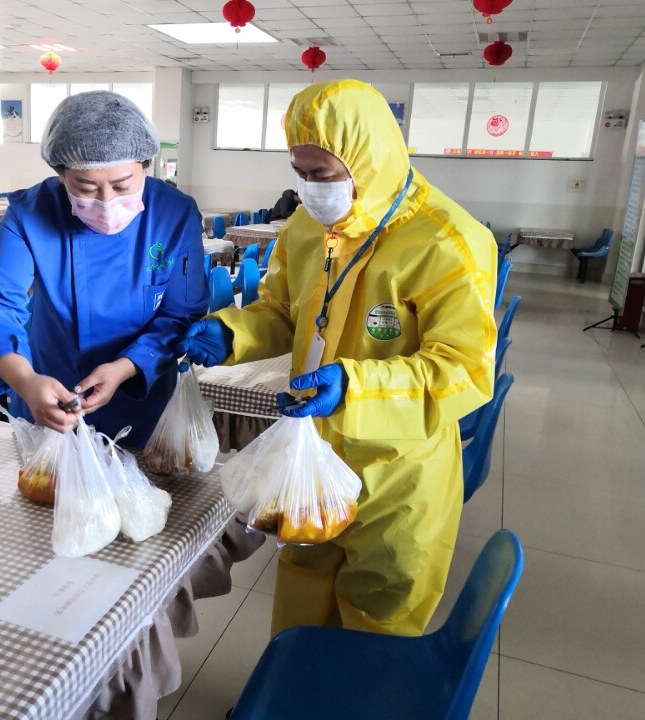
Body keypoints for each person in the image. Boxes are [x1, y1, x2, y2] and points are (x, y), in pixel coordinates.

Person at [178, 79, 497, 637]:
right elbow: (281, 309)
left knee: (380, 608)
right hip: (309, 450)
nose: (309, 189)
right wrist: (232, 333)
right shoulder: (308, 227)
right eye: (299, 173)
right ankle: (292, 691)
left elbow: (463, 367)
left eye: (321, 174)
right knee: (302, 582)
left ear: (367, 160)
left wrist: (355, 387)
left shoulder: (448, 242)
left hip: (397, 468)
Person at [0, 91, 208, 447]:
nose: (107, 202)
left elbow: (182, 313)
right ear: (61, 175)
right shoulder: (30, 214)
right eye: (86, 187)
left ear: (145, 166)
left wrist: (124, 368)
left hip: (142, 394)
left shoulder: (174, 213)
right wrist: (24, 380)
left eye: (123, 185)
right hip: (51, 395)